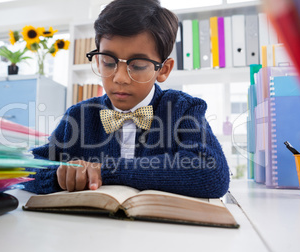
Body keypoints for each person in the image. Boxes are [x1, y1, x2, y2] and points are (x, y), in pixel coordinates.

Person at [23, 0, 230, 198]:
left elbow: (213, 172)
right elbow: (27, 167)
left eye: (138, 65)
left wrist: (104, 171)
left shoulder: (183, 108)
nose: (120, 78)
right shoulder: (78, 116)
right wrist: (60, 175)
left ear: (163, 70)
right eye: (107, 62)